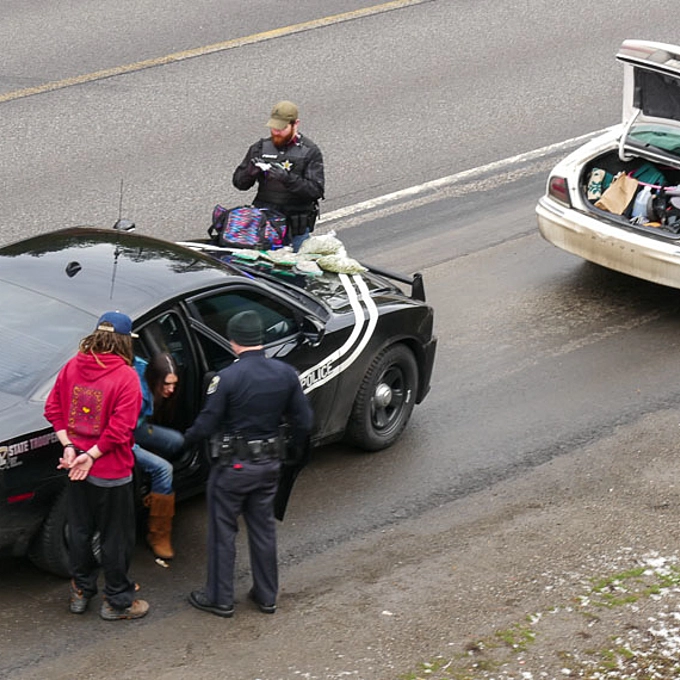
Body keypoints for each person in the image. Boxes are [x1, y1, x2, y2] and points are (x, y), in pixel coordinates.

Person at [182, 310, 313, 618]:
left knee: (223, 532)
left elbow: (206, 424)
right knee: (263, 530)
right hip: (269, 465)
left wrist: (182, 441)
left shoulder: (226, 378)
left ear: (233, 341)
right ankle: (267, 596)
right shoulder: (285, 373)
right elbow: (305, 422)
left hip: (233, 468)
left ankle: (220, 598)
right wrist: (288, 451)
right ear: (260, 340)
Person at [44, 311, 149, 621]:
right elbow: (120, 430)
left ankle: (80, 591)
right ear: (125, 341)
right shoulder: (126, 376)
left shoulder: (73, 365)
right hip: (110, 471)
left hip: (74, 468)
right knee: (115, 539)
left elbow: (53, 409)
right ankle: (117, 601)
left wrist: (70, 447)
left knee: (79, 532)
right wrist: (90, 456)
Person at [232, 100, 325, 252]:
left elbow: (316, 190)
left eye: (282, 128)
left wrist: (287, 179)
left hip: (295, 230)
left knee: (298, 265)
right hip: (266, 227)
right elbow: (239, 183)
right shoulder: (260, 148)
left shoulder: (309, 151)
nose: (276, 132)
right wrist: (249, 172)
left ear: (295, 124)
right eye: (274, 128)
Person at [132, 352, 185, 561]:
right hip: (122, 439)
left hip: (137, 427)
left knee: (177, 441)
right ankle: (158, 535)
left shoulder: (144, 367)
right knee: (163, 469)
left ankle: (156, 488)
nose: (171, 390)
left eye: (174, 384)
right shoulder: (137, 396)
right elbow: (119, 434)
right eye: (167, 384)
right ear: (155, 379)